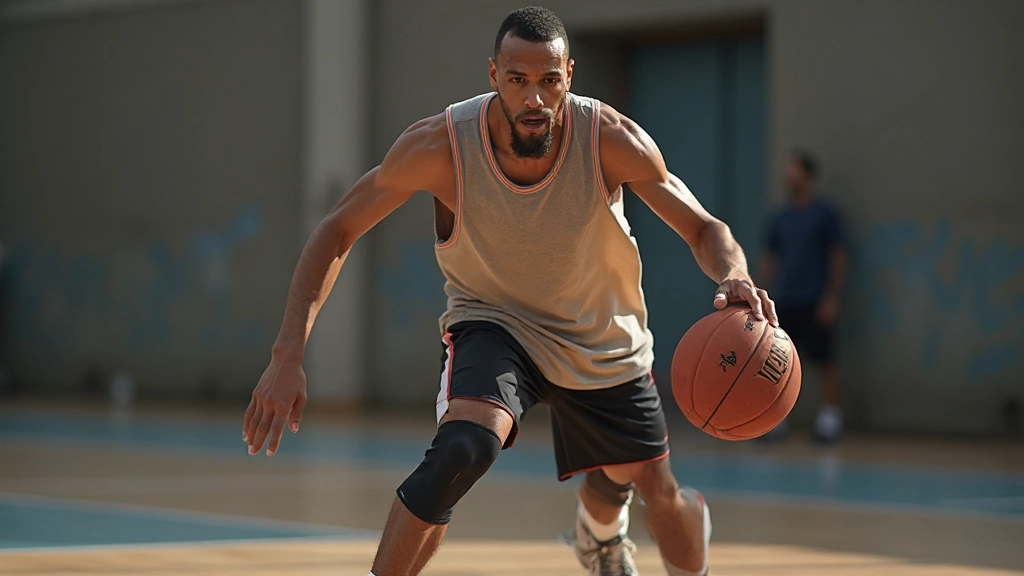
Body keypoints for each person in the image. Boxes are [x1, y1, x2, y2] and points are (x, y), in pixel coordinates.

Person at [242, 7, 778, 576]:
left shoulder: (611, 140)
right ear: (493, 74)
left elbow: (702, 228)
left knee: (652, 490)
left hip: (600, 335)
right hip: (495, 323)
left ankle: (601, 532)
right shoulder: (440, 147)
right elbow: (338, 228)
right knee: (461, 451)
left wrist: (733, 275)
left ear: (569, 75)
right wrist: (287, 354)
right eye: (518, 80)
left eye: (549, 81)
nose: (534, 100)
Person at [760, 150, 847, 443]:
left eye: (794, 171)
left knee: (824, 360)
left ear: (808, 176)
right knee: (780, 361)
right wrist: (760, 292)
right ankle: (777, 420)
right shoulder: (781, 218)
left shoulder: (825, 215)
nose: (789, 177)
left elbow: (837, 256)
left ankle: (829, 420)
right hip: (785, 299)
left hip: (815, 299)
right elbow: (770, 258)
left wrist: (831, 296)